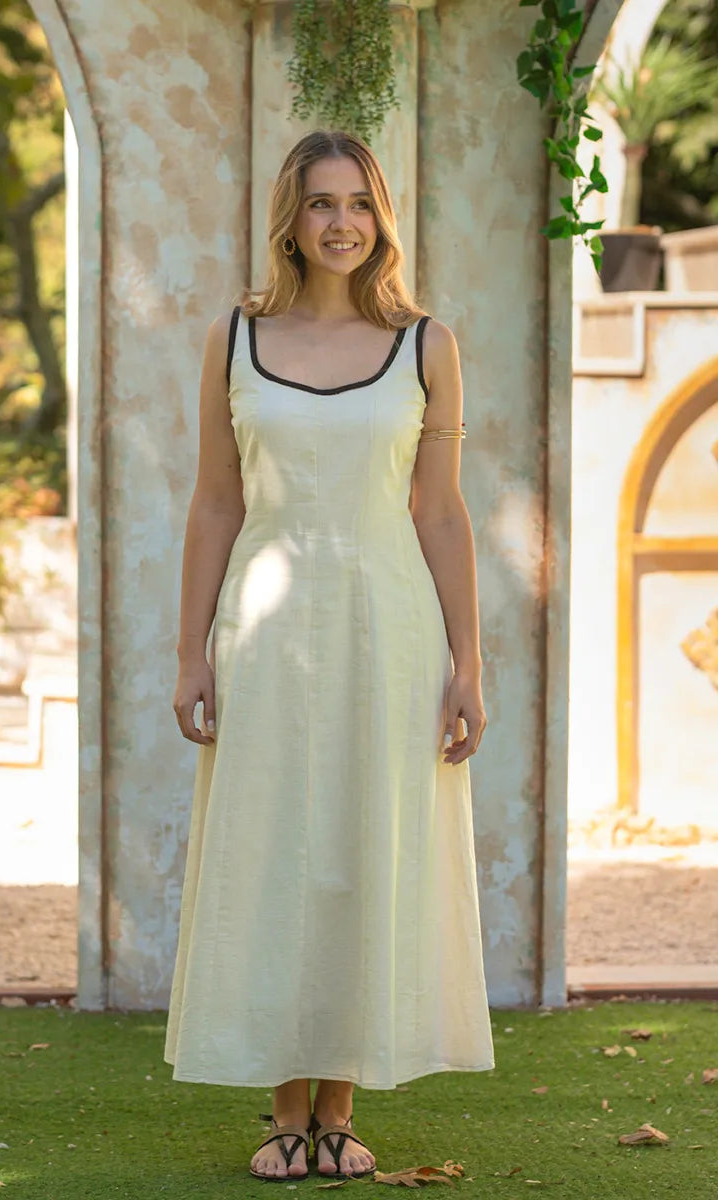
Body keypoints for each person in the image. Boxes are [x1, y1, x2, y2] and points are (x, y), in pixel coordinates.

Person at [165, 128, 494, 1183]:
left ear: (380, 216)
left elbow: (440, 516)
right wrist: (190, 654)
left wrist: (466, 663)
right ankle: (280, 1115)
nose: (341, 222)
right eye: (319, 204)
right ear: (289, 221)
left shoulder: (426, 346)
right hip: (261, 634)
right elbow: (216, 500)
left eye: (358, 202)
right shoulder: (233, 336)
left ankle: (337, 1115)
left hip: (388, 633)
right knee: (271, 853)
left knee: (360, 851)